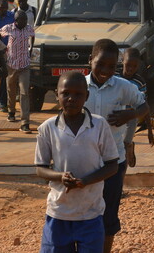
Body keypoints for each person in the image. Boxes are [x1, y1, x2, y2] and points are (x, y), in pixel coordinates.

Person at [35, 71, 119, 253]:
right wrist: (60, 176)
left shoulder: (99, 125)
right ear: (56, 94)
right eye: (65, 93)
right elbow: (40, 169)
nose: (71, 98)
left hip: (90, 213)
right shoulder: (47, 128)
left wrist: (86, 181)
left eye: (78, 94)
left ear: (87, 96)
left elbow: (112, 165)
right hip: (58, 212)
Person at [85, 39, 149, 253]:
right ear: (90, 61)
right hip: (84, 162)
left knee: (108, 215)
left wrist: (130, 114)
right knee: (83, 212)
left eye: (111, 67)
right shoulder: (79, 86)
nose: (105, 70)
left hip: (113, 162)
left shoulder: (123, 87)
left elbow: (144, 106)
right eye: (100, 64)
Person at [0, 10, 36, 133]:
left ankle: (25, 122)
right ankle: (11, 111)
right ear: (16, 21)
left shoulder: (28, 28)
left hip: (24, 65)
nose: (25, 22)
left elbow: (33, 35)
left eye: (26, 20)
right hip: (11, 64)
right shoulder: (8, 28)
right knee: (11, 89)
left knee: (24, 93)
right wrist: (3, 49)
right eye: (22, 20)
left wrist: (30, 49)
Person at [118, 48, 154, 168]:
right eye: (128, 65)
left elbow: (144, 105)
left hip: (131, 118)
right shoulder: (114, 77)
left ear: (138, 66)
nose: (130, 69)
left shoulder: (139, 82)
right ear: (122, 61)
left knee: (124, 145)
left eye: (134, 66)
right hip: (115, 117)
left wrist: (149, 129)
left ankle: (128, 147)